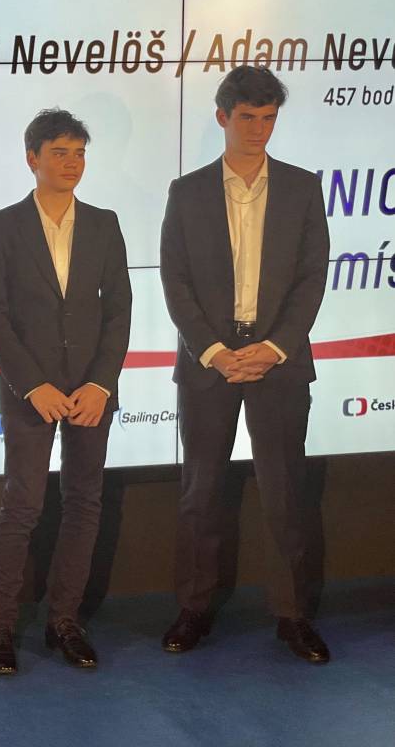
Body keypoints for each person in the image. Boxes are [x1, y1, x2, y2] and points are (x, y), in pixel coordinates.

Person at [158, 65, 330, 663]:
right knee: (200, 493)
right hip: (209, 363)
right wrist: (213, 351)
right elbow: (175, 280)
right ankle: (194, 609)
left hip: (280, 362)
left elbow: (312, 277)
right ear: (222, 117)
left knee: (285, 493)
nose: (259, 128)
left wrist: (275, 347)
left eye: (269, 118)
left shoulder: (303, 188)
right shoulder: (187, 192)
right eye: (248, 117)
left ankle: (293, 616)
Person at [0, 109, 132, 674]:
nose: (72, 163)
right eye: (60, 152)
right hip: (30, 390)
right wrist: (31, 384)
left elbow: (119, 311)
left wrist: (101, 383)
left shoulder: (104, 224)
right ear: (32, 158)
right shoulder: (3, 224)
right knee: (22, 505)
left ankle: (65, 620)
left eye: (79, 153)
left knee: (84, 502)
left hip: (92, 389)